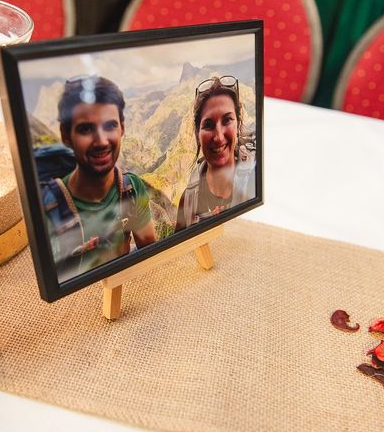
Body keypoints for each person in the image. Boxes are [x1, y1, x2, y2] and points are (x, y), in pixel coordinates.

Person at [41, 76, 156, 283]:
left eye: (110, 126)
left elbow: (150, 251)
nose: (101, 141)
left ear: (122, 127)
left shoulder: (132, 188)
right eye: (86, 129)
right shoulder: (47, 208)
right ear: (66, 135)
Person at [175, 75, 256, 232]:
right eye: (208, 125)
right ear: (197, 133)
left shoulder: (255, 173)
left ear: (238, 123)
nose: (218, 137)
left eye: (227, 120)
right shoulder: (188, 200)